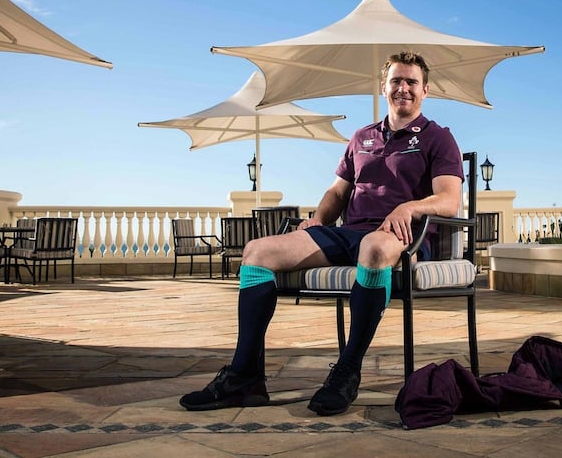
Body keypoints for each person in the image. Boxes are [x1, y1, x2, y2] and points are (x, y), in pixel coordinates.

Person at [179, 51, 464, 416]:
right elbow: (337, 192)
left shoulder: (437, 138)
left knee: (374, 248)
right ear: (384, 87)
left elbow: (448, 200)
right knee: (256, 252)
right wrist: (317, 220)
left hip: (401, 237)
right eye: (396, 81)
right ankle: (244, 377)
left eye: (411, 82)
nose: (403, 88)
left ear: (425, 90)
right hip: (348, 233)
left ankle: (346, 372)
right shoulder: (362, 137)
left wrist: (408, 207)